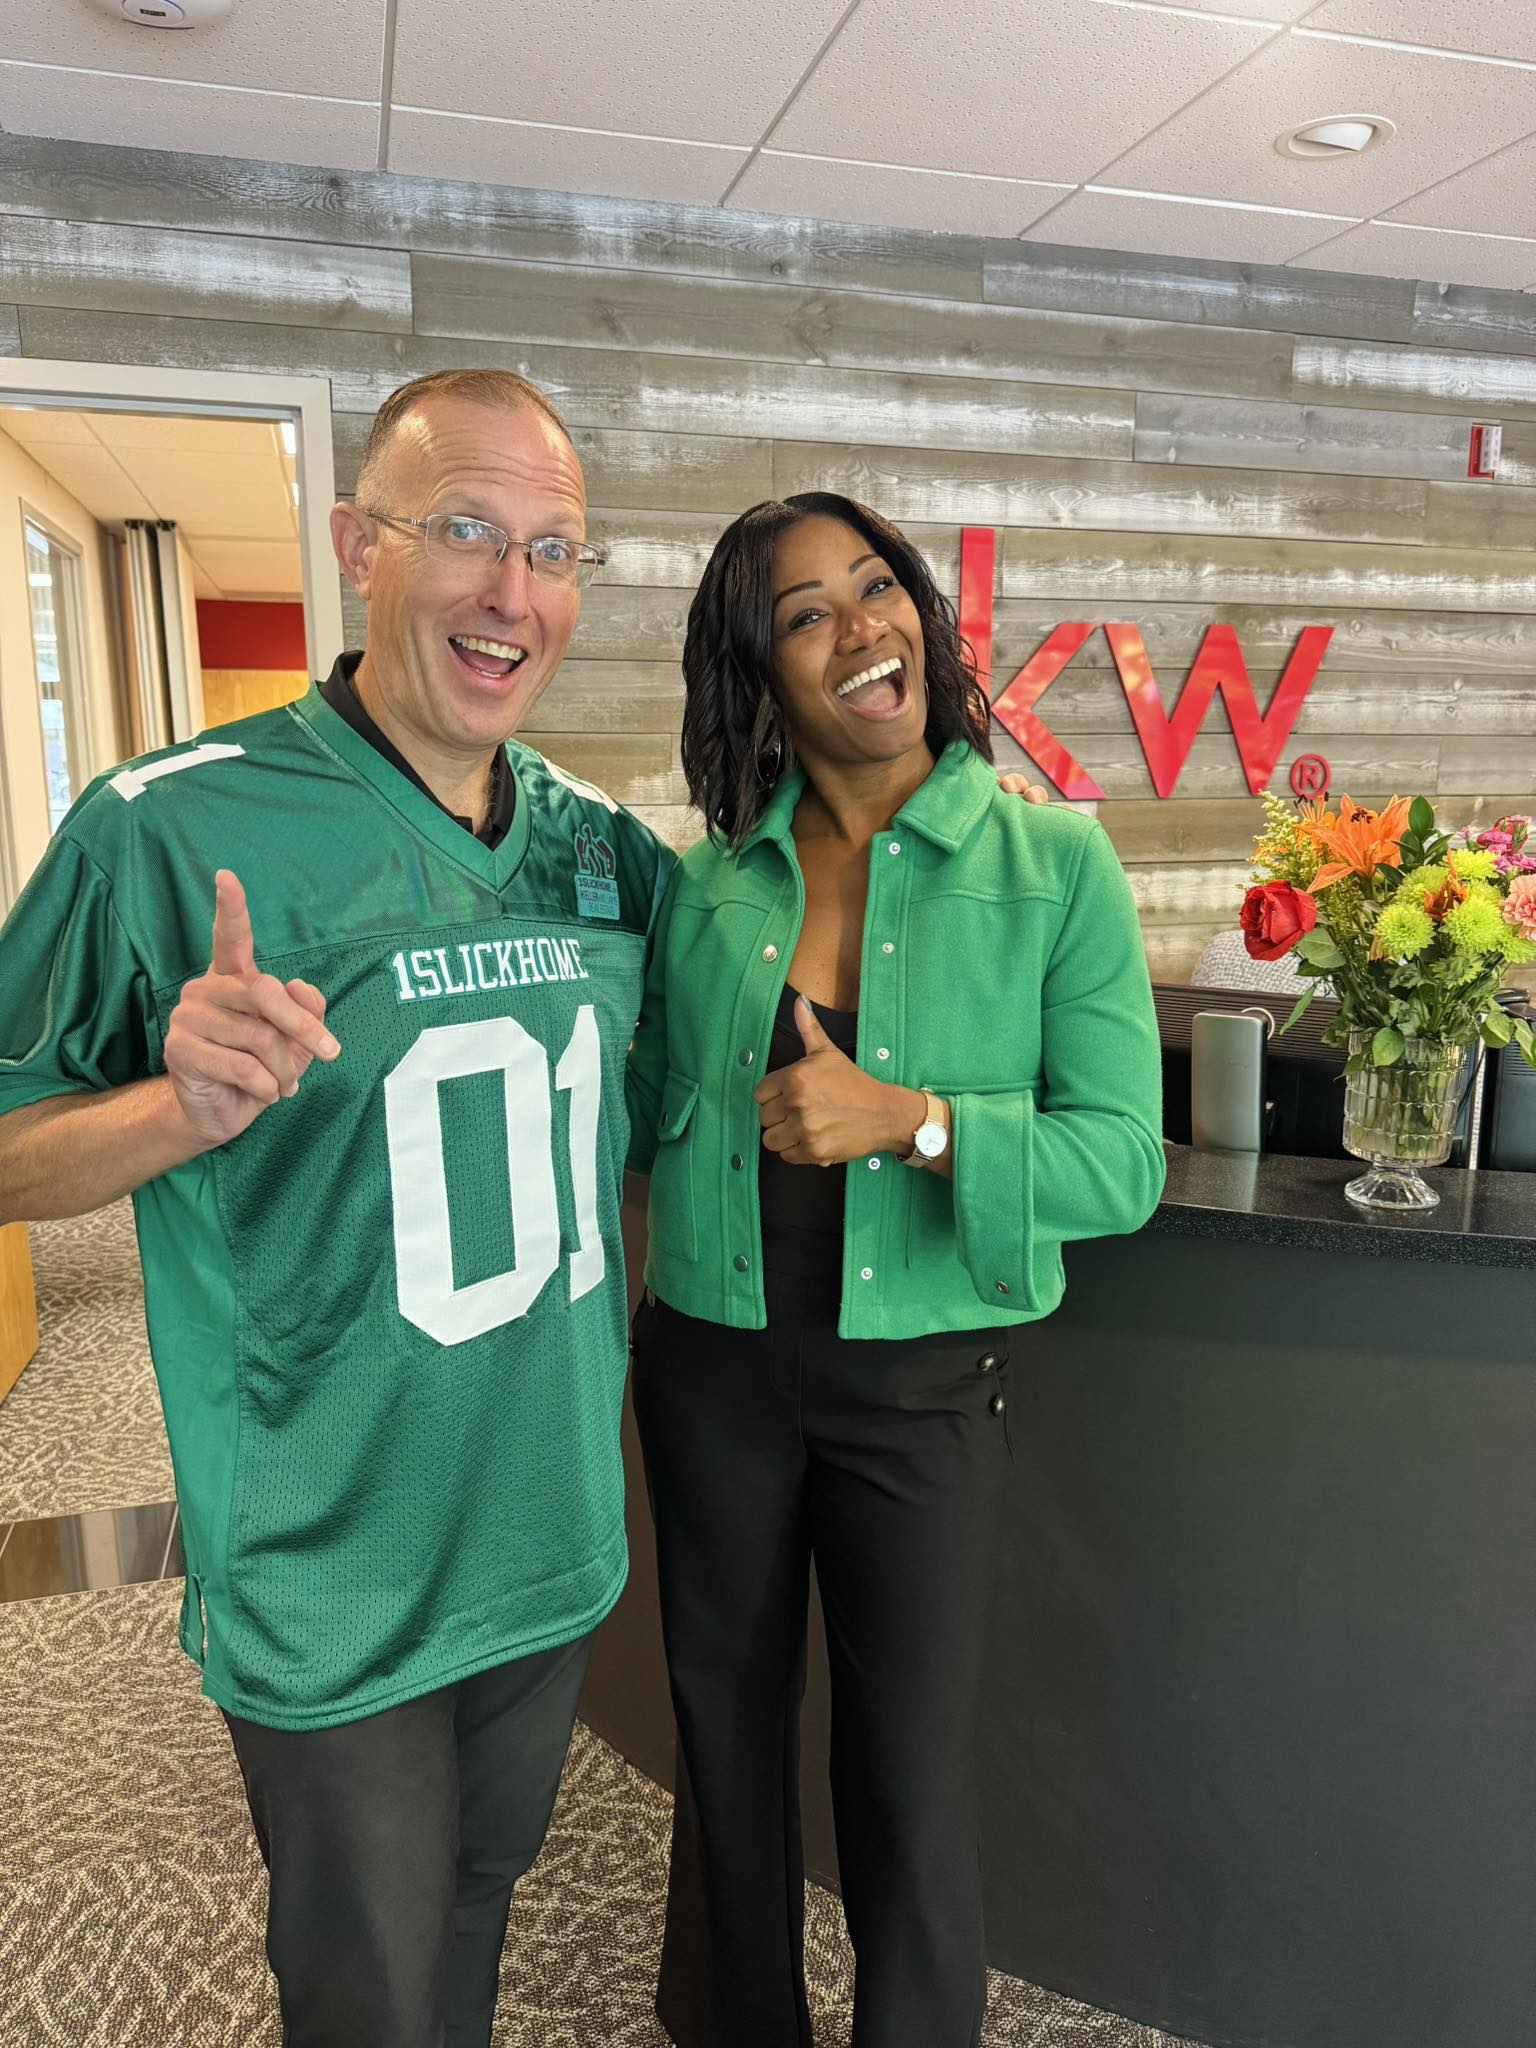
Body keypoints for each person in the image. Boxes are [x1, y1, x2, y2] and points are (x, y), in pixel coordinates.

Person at [0, 368, 672, 2048]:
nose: (513, 594)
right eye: (465, 531)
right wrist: (177, 1108)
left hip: (548, 1536)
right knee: (365, 1994)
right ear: (357, 542)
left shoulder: (601, 851)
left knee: (475, 1920)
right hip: (331, 1564)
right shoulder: (168, 826)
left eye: (554, 549)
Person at [625, 492, 1166, 2048]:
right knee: (723, 1735)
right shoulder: (716, 881)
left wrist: (913, 1123)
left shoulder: (1054, 863)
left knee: (906, 1772)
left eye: (876, 589)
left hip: (923, 1390)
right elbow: (647, 1102)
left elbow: (1119, 1164)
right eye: (805, 613)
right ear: (760, 671)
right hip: (713, 1364)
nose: (861, 627)